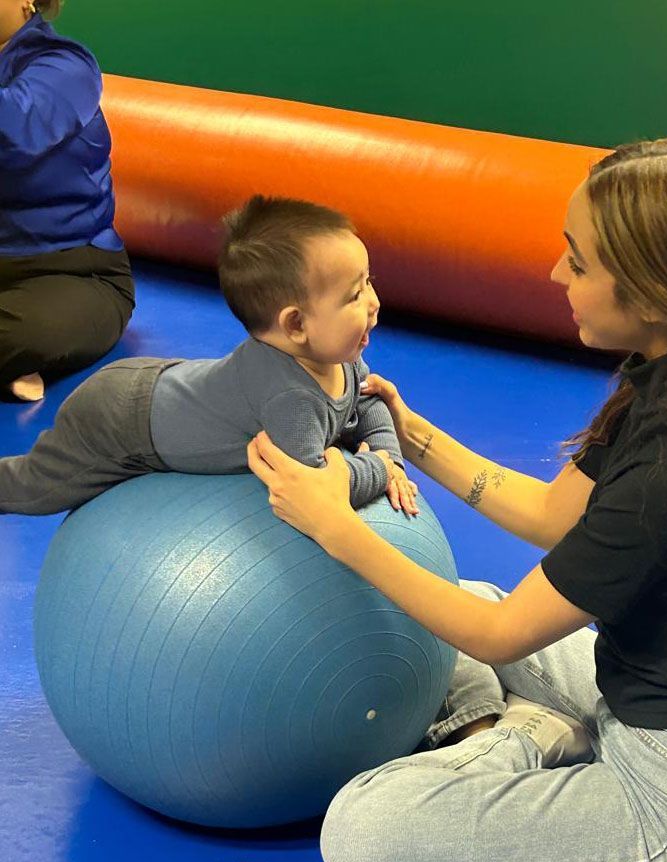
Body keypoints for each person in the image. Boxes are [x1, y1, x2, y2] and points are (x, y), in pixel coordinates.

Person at [246, 136, 667, 862]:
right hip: (647, 694)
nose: (557, 273)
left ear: (653, 292)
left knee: (361, 832)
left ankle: (523, 736)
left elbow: (498, 636)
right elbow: (553, 515)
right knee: (450, 601)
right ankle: (538, 731)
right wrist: (409, 434)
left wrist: (333, 526)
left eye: (579, 263)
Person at [0, 196, 418, 516]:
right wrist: (378, 469)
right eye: (355, 294)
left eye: (369, 281)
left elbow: (369, 402)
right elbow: (313, 488)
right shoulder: (292, 399)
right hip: (119, 423)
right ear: (295, 325)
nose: (374, 302)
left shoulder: (338, 356)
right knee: (34, 488)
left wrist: (391, 459)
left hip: (156, 385)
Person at [0, 0, 135, 402]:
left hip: (74, 273)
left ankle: (17, 356)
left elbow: (15, 131)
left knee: (21, 332)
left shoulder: (67, 66)